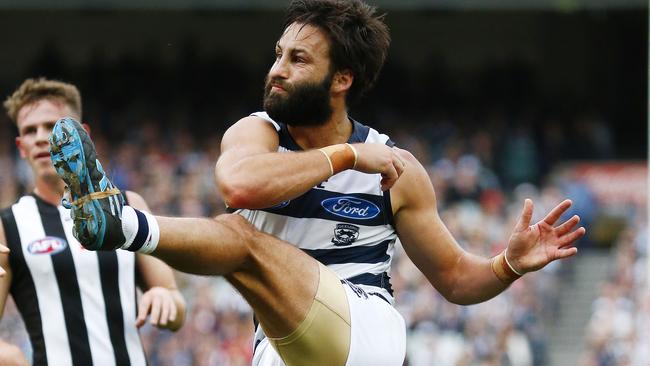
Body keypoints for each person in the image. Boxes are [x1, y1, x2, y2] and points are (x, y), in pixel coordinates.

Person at [35, 1, 584, 365]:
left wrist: (508, 264)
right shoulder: (257, 133)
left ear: (340, 79)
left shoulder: (397, 168)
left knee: (241, 239)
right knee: (241, 237)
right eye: (278, 54)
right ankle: (114, 220)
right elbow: (240, 185)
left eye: (297, 59)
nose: (276, 69)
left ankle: (118, 223)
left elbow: (459, 280)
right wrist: (345, 155)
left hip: (366, 333)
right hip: (282, 348)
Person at [0, 78, 186, 366]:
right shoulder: (7, 225)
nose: (40, 137)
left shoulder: (128, 204)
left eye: (52, 127)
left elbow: (176, 309)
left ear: (83, 134)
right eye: (29, 131)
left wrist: (165, 297)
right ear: (21, 146)